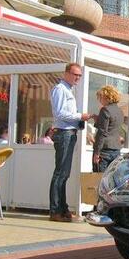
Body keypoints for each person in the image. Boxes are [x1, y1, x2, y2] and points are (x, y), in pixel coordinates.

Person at [48, 62, 93, 222]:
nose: (78, 78)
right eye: (75, 75)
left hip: (69, 133)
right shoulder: (60, 89)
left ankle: (63, 208)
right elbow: (60, 114)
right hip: (64, 133)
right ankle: (55, 210)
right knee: (60, 173)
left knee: (64, 173)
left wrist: (79, 120)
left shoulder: (68, 90)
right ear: (66, 73)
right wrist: (80, 116)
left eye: (80, 75)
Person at [93, 85, 124, 172]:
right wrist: (98, 120)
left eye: (100, 97)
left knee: (99, 179)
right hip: (116, 149)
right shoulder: (120, 111)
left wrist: (97, 152)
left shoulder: (105, 110)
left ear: (107, 97)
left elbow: (102, 132)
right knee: (111, 178)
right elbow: (112, 127)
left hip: (104, 150)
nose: (100, 100)